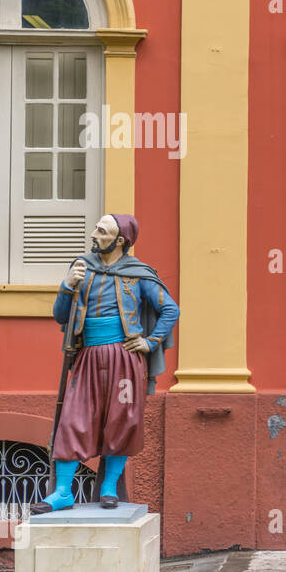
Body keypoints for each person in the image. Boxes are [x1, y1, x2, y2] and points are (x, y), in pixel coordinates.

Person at [33, 214, 179, 513]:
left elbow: (170, 310)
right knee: (73, 419)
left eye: (102, 231)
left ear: (120, 241)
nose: (94, 234)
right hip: (87, 357)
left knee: (121, 421)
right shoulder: (81, 269)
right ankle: (62, 492)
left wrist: (150, 343)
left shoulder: (138, 274)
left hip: (125, 358)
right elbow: (61, 316)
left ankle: (109, 488)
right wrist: (66, 286)